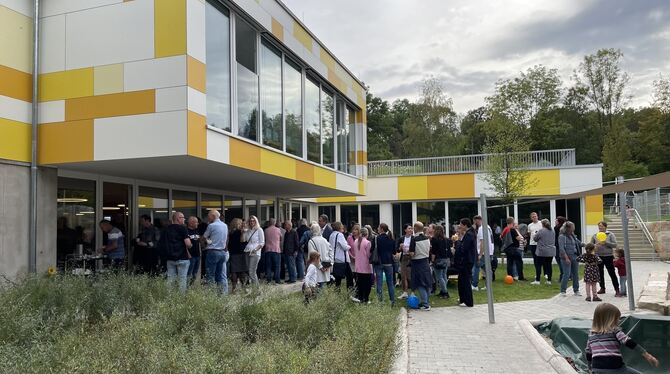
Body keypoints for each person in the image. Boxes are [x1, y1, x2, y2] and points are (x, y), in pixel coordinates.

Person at [586, 303, 659, 373]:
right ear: (610, 320)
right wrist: (647, 355)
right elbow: (628, 341)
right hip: (615, 366)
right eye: (617, 318)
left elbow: (588, 352)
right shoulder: (614, 330)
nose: (619, 320)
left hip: (597, 368)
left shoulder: (591, 335)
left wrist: (589, 368)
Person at [163, 212, 192, 293]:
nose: (184, 219)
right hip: (182, 258)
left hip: (170, 258)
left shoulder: (166, 229)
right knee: (182, 279)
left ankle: (170, 297)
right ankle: (181, 299)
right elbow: (188, 244)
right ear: (178, 218)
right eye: (183, 217)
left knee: (170, 279)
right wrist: (191, 245)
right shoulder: (182, 228)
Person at [202, 210, 229, 294]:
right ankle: (223, 294)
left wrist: (202, 243)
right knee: (222, 275)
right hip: (222, 252)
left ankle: (212, 295)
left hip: (213, 252)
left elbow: (204, 237)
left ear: (213, 216)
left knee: (210, 275)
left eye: (209, 216)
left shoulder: (211, 225)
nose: (208, 217)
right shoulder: (225, 225)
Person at [590, 221, 621, 296]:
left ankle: (617, 290)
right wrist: (595, 246)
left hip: (608, 256)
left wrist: (606, 243)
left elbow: (615, 245)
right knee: (600, 273)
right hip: (598, 256)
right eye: (599, 226)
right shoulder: (595, 235)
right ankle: (602, 288)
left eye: (601, 226)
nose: (600, 227)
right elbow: (591, 246)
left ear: (605, 227)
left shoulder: (610, 234)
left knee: (612, 273)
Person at [409, 222, 432, 310]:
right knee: (426, 282)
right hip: (425, 261)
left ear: (415, 228)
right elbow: (429, 249)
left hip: (417, 262)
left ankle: (425, 303)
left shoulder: (414, 239)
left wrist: (408, 253)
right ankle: (425, 301)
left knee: (419, 283)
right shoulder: (427, 238)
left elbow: (412, 253)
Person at [454, 218, 477, 307]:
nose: (460, 226)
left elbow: (464, 248)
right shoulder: (469, 234)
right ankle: (463, 299)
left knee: (465, 281)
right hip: (467, 260)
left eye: (460, 224)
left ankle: (468, 301)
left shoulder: (469, 234)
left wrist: (458, 242)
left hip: (466, 261)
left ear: (465, 225)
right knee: (461, 280)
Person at [558, 221, 583, 296]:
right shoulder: (562, 236)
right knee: (567, 274)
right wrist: (566, 258)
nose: (574, 228)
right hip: (566, 257)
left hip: (575, 256)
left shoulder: (573, 236)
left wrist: (590, 245)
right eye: (572, 227)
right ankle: (563, 291)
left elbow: (580, 243)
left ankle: (576, 290)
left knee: (576, 274)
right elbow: (561, 249)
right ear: (568, 228)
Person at [374, 223, 396, 304]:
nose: (377, 228)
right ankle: (392, 301)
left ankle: (380, 301)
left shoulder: (377, 238)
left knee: (379, 283)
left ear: (382, 229)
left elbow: (373, 249)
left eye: (379, 227)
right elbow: (394, 251)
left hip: (379, 262)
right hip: (389, 262)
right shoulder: (391, 238)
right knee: (390, 283)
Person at [472, 215, 496, 290]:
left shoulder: (481, 228)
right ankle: (488, 286)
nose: (474, 224)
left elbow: (483, 241)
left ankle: (474, 285)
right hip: (490, 251)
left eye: (474, 222)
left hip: (484, 252)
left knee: (476, 267)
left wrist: (480, 254)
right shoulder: (488, 227)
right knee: (487, 269)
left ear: (477, 220)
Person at [350, 227, 373, 303]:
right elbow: (368, 255)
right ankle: (366, 299)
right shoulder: (367, 242)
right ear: (367, 234)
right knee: (367, 284)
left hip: (358, 266)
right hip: (366, 266)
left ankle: (360, 298)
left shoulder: (356, 241)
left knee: (360, 283)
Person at [306, 223, 332, 288]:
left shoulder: (311, 241)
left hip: (317, 268)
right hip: (326, 266)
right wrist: (330, 263)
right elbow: (331, 252)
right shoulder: (325, 240)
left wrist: (321, 267)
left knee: (317, 288)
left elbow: (313, 256)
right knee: (322, 287)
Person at [329, 221, 353, 289]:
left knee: (337, 278)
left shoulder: (332, 235)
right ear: (339, 227)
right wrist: (350, 246)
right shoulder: (340, 235)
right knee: (350, 276)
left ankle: (337, 292)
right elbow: (345, 246)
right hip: (342, 259)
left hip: (335, 258)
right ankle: (350, 291)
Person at [430, 224, 452, 299]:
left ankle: (445, 292)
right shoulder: (447, 239)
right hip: (446, 259)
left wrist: (432, 260)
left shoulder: (434, 239)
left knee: (439, 277)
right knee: (444, 275)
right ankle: (443, 291)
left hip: (438, 259)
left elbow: (434, 251)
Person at [532, 219, 556, 285]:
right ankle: (549, 281)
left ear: (542, 224)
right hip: (551, 251)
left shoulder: (541, 231)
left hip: (542, 251)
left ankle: (537, 280)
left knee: (538, 265)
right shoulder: (552, 231)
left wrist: (534, 234)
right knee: (549, 265)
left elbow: (535, 239)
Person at [227, 218, 248, 292]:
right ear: (238, 224)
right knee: (242, 270)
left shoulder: (230, 233)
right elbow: (244, 242)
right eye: (241, 223)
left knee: (234, 271)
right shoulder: (241, 232)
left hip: (233, 253)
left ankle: (234, 288)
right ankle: (244, 287)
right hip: (241, 253)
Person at [244, 216, 264, 286]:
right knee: (249, 271)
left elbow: (262, 243)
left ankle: (257, 290)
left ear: (256, 221)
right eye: (250, 221)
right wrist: (243, 231)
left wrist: (255, 250)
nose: (252, 222)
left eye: (253, 221)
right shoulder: (248, 230)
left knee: (252, 271)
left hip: (255, 252)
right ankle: (253, 288)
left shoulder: (259, 230)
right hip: (247, 251)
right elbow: (244, 240)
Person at [396, 223, 413, 300]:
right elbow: (397, 249)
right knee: (403, 276)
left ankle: (412, 292)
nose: (410, 230)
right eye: (409, 228)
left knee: (410, 276)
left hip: (411, 258)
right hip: (404, 258)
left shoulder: (414, 238)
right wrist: (400, 247)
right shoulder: (402, 238)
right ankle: (405, 292)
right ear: (405, 230)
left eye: (411, 228)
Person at [264, 218, 282, 284]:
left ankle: (269, 279)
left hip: (268, 249)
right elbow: (281, 238)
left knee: (268, 265)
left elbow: (265, 239)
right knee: (277, 265)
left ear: (269, 223)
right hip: (276, 249)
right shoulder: (278, 230)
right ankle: (277, 279)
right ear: (275, 223)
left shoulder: (266, 230)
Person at [527, 212, 543, 284]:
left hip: (540, 244)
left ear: (537, 216)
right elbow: (530, 234)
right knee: (535, 260)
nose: (534, 217)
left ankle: (544, 274)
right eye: (533, 216)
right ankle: (537, 274)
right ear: (531, 218)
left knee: (542, 260)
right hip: (533, 244)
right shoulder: (530, 225)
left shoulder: (541, 223)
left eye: (535, 216)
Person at [186, 216, 201, 285]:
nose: (197, 224)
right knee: (189, 273)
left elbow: (198, 242)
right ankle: (186, 288)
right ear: (191, 223)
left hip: (197, 255)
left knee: (195, 273)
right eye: (196, 222)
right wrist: (188, 254)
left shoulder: (196, 231)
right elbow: (184, 244)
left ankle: (191, 286)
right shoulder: (186, 231)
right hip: (190, 256)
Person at [553, 216, 567, 284]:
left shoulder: (557, 228)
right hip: (563, 246)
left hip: (558, 246)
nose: (555, 221)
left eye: (556, 220)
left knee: (560, 261)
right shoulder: (566, 228)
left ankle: (562, 276)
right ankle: (568, 275)